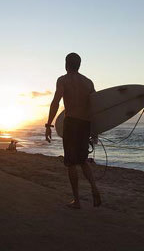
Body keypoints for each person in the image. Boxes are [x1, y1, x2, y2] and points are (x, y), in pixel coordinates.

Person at [45, 53, 101, 209]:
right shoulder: (88, 83)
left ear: (66, 64)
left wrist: (49, 125)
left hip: (71, 123)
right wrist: (95, 129)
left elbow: (55, 102)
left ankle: (77, 200)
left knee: (71, 163)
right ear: (79, 65)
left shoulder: (63, 80)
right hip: (85, 124)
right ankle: (94, 188)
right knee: (83, 161)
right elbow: (95, 107)